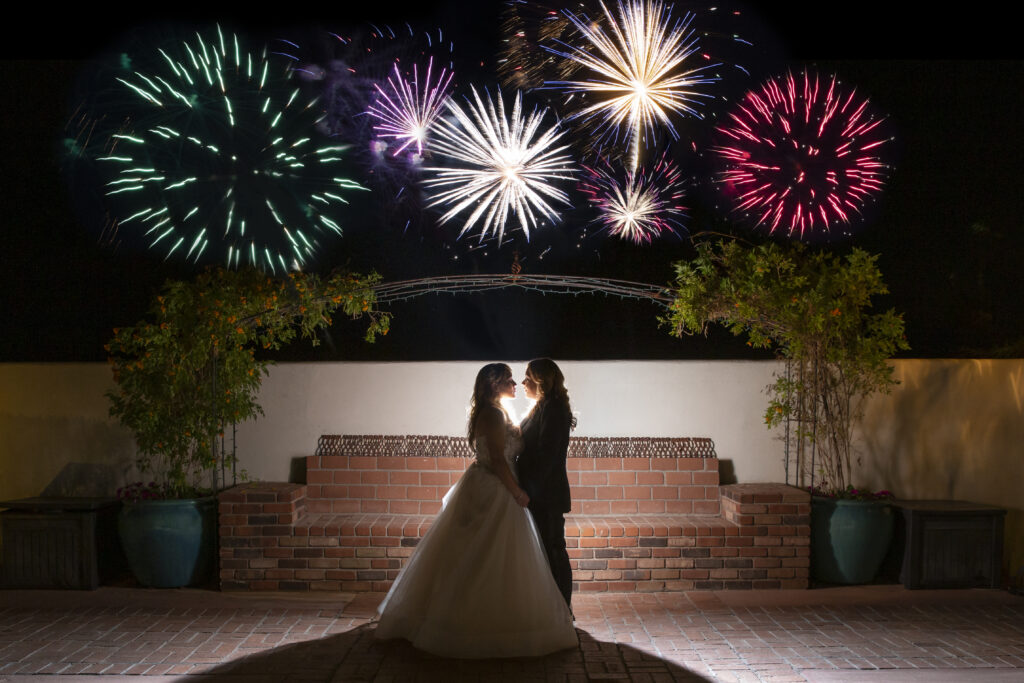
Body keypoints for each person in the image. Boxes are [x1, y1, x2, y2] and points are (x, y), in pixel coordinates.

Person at [374, 363, 577, 658]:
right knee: (486, 554)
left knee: (530, 553)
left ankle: (558, 613)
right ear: (494, 384)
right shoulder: (495, 413)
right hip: (498, 488)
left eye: (523, 377)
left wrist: (524, 489)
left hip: (523, 491)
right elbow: (497, 459)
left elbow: (539, 456)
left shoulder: (525, 410)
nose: (517, 382)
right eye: (509, 378)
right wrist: (519, 491)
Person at [517, 358, 575, 609]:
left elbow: (546, 457)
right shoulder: (541, 407)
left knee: (554, 549)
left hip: (546, 494)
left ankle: (562, 608)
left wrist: (527, 489)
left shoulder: (554, 409)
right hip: (538, 492)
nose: (523, 382)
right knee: (545, 549)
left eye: (528, 377)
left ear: (541, 380)